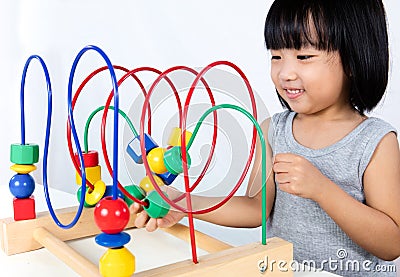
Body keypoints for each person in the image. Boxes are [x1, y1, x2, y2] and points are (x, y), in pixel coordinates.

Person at [131, 0, 400, 275]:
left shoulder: (375, 141)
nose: (285, 72)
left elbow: (392, 243)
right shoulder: (273, 130)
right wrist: (184, 202)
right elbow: (256, 209)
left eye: (304, 56)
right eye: (276, 56)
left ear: (353, 59)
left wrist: (322, 189)